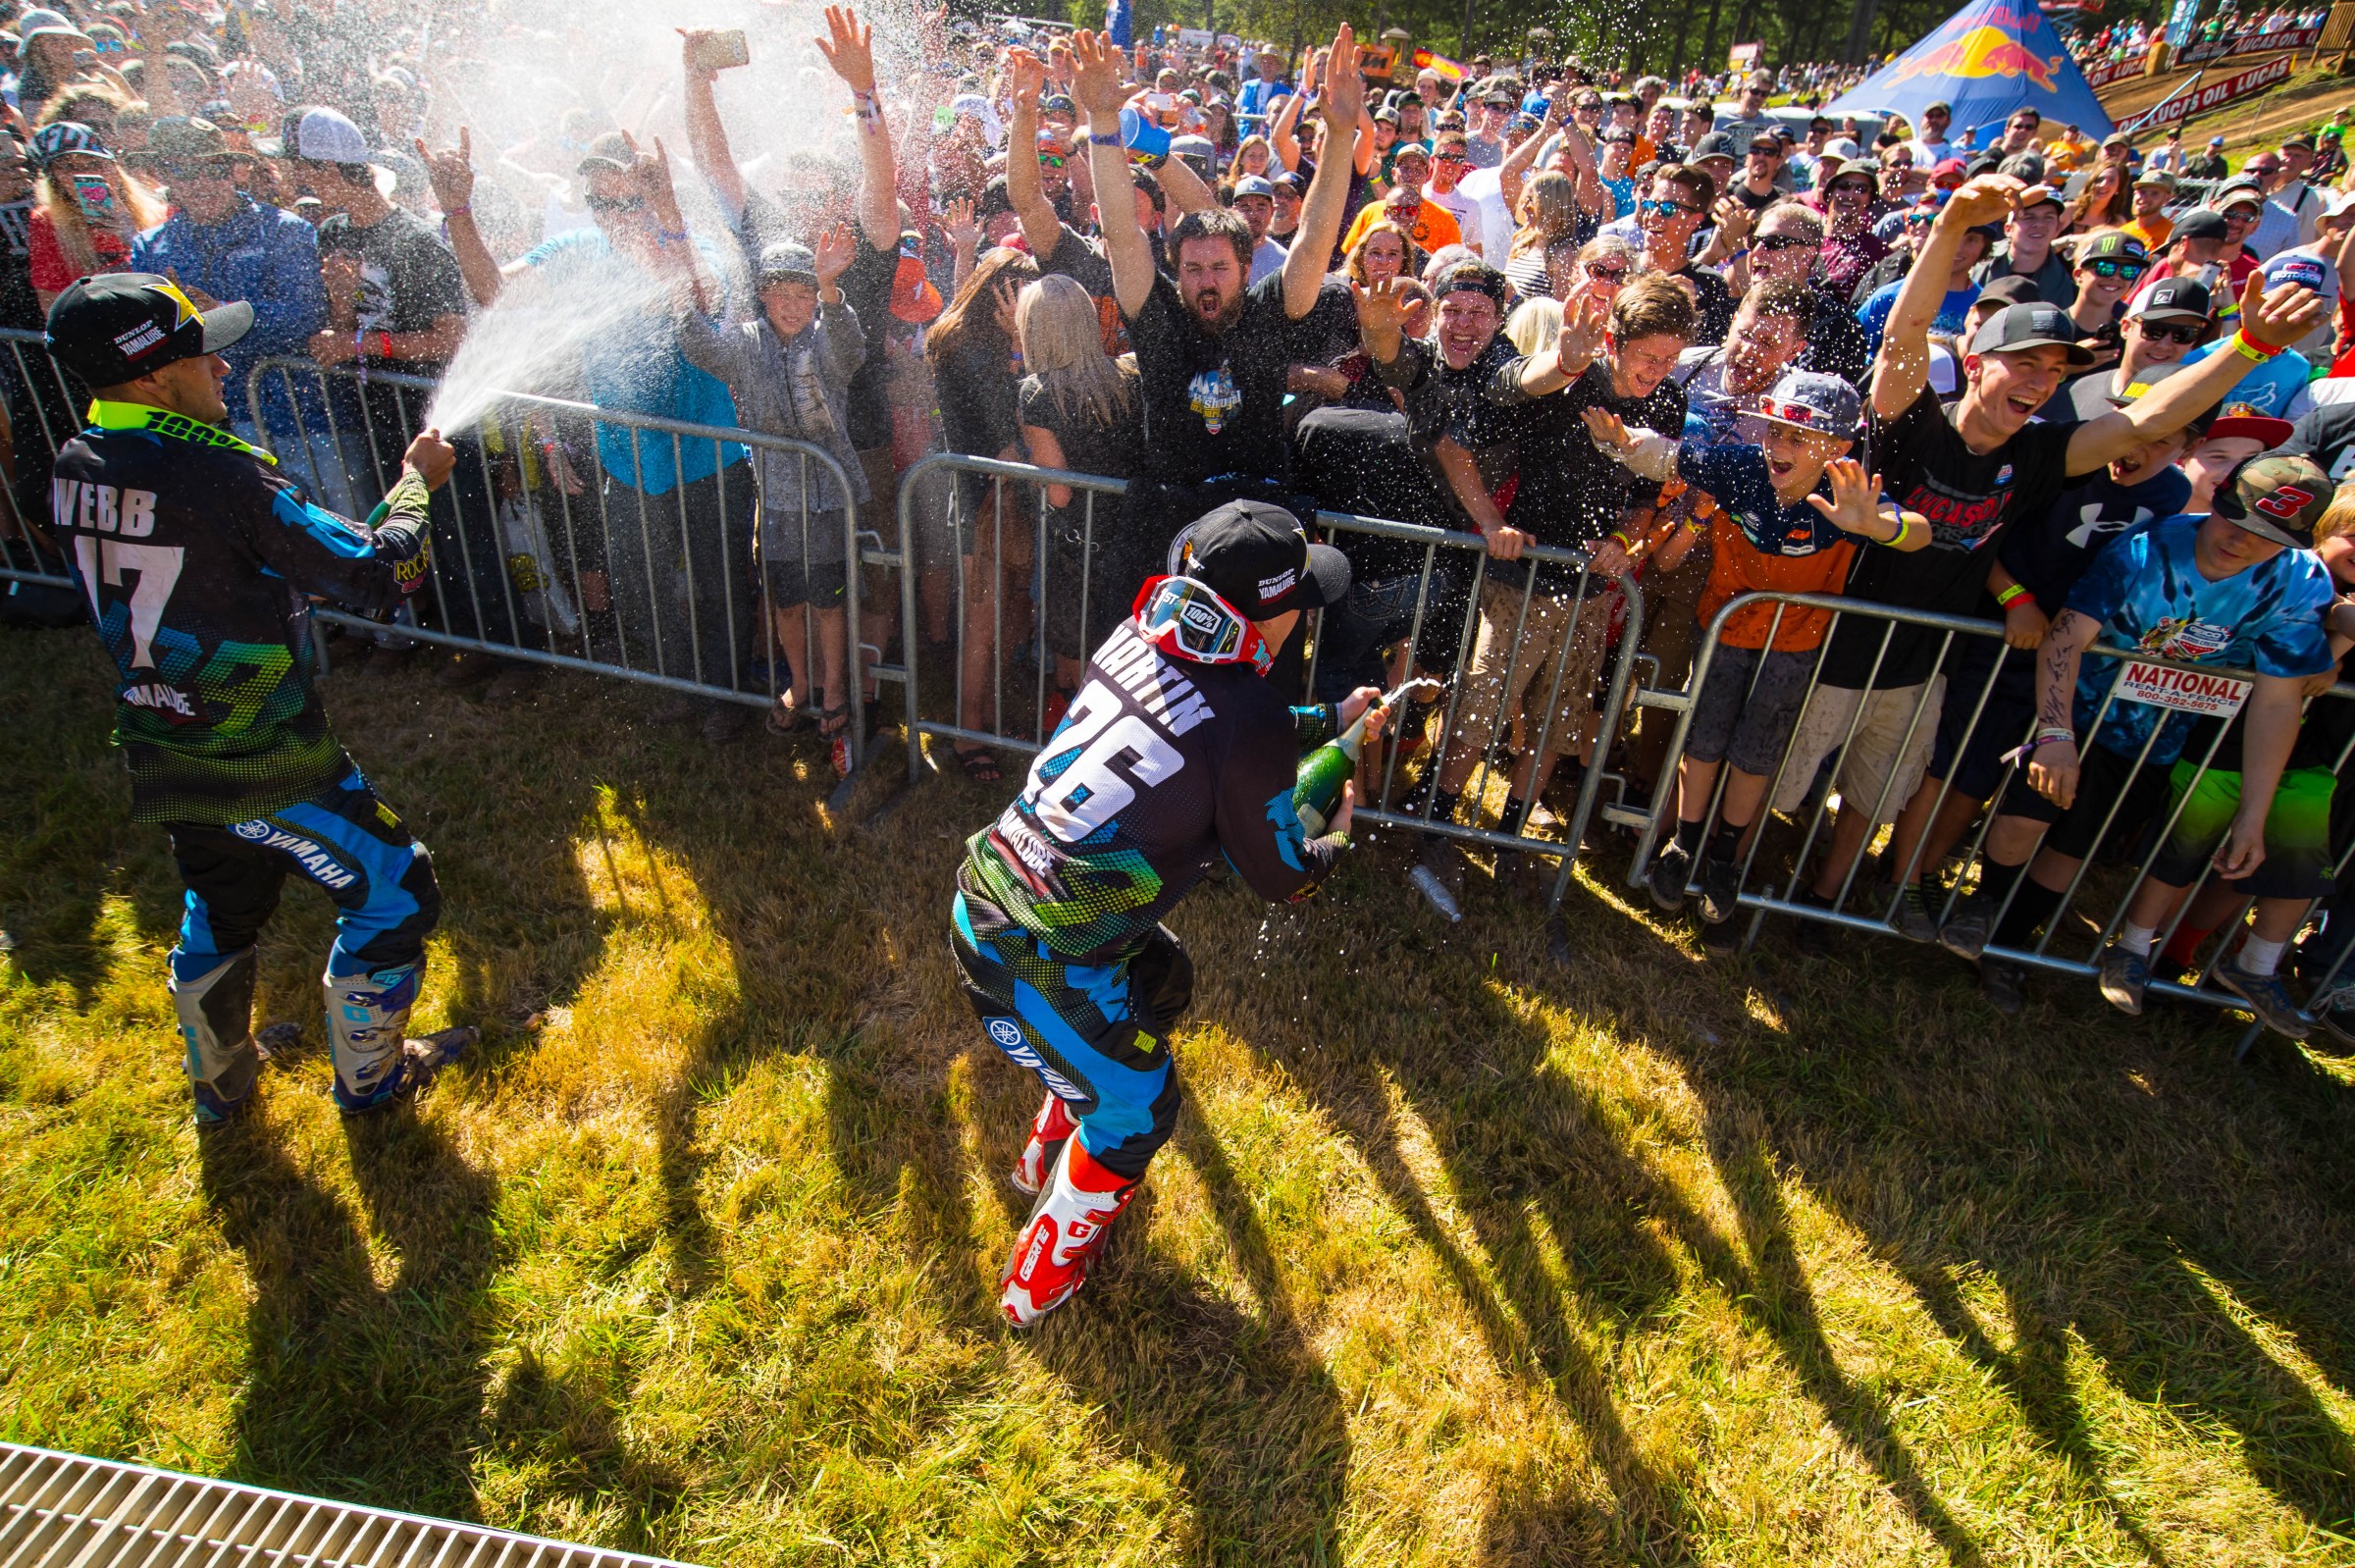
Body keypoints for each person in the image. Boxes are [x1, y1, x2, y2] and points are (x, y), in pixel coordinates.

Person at [1779, 177, 2325, 964]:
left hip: (1925, 658)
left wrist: (2249, 347)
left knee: (1875, 791)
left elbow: (2149, 419)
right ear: (1974, 362)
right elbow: (1901, 338)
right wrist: (1953, 228)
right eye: (2023, 364)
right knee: (1786, 770)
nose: (2038, 383)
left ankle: (1821, 904)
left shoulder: (2041, 456)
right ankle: (1740, 870)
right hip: (1833, 630)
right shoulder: (1912, 425)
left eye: (2053, 372)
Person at [43, 271, 469, 1124]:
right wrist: (417, 482)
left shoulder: (77, 459)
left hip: (163, 746)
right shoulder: (217, 474)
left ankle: (220, 1084)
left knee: (222, 903)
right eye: (202, 356)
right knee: (394, 889)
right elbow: (380, 573)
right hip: (260, 755)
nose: (224, 371)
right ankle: (372, 1083)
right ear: (150, 379)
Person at [953, 503, 1374, 1326]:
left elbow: (1209, 727)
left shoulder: (1138, 635)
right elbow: (1282, 877)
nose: (1304, 619)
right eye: (1300, 603)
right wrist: (1338, 842)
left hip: (988, 902)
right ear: (1267, 612)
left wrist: (1328, 721)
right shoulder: (1245, 712)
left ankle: (1048, 1152)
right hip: (1036, 962)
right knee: (1144, 1105)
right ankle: (1033, 1289)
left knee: (1162, 978)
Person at [1952, 457, 2339, 1014]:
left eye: (2268, 536)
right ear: (2219, 500)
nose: (2243, 542)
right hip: (2079, 709)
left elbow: (2279, 703)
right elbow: (2065, 637)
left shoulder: (2300, 584)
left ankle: (2010, 948)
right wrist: (2057, 734)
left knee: (2072, 847)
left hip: (2156, 738)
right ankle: (1982, 906)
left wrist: (2252, 816)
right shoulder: (2147, 547)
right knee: (2019, 823)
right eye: (2236, 521)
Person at [1596, 372, 1924, 932]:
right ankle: (1684, 841)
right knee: (1704, 736)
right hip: (1728, 627)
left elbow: (1919, 532)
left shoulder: (1850, 485)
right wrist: (1625, 442)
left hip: (1796, 640)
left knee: (1756, 748)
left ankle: (1724, 856)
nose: (1779, 446)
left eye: (1798, 437)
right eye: (1774, 431)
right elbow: (1669, 457)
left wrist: (1876, 525)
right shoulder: (1742, 465)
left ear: (1839, 448)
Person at [1066, 23, 1362, 641]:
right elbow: (1122, 231)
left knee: (1251, 691)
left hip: (1254, 527)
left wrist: (1339, 135)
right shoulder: (1158, 315)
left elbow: (1313, 241)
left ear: (1245, 267)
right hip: (1166, 523)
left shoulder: (1267, 310)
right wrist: (1101, 119)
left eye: (1220, 268)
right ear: (1176, 268)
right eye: (1193, 267)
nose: (1206, 281)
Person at [1419, 274, 1699, 896]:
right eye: (1648, 356)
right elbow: (1504, 392)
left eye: (1670, 359)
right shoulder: (1570, 382)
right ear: (1613, 340)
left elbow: (1647, 498)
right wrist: (1565, 362)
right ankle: (1433, 826)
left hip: (1593, 594)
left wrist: (1624, 544)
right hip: (1520, 580)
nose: (1657, 370)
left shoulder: (1667, 403)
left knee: (1554, 724)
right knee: (1480, 708)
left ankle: (1513, 838)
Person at [671, 229, 868, 769]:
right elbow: (699, 346)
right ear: (762, 294)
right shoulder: (746, 342)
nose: (792, 305)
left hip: (829, 497)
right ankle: (799, 684)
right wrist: (682, 298)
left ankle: (833, 689)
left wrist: (831, 289)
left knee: (828, 600)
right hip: (777, 501)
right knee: (786, 600)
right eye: (781, 293)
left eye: (804, 294)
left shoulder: (827, 337)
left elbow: (851, 349)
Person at [1016, 272, 1141, 695]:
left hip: (1075, 545)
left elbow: (1058, 489)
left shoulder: (1037, 393)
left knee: (1076, 660)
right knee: (1123, 655)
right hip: (1128, 536)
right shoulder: (1130, 374)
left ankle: (1074, 742)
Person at [1975, 182, 2075, 307]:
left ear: (2057, 229)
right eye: (2028, 217)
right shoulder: (1977, 261)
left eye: (2048, 217)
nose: (2039, 224)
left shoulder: (2066, 280)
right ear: (2008, 229)